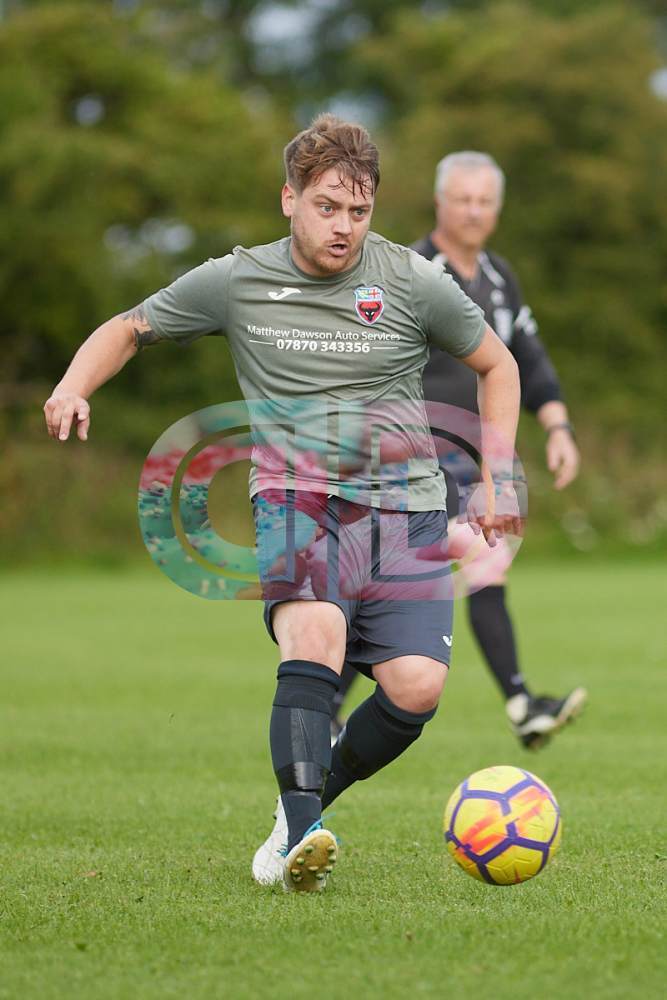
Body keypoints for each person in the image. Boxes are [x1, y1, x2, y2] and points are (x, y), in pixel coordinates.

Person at [43, 117, 521, 893]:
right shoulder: (238, 280)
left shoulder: (409, 280)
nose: (343, 226)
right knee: (315, 632)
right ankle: (303, 834)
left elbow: (496, 364)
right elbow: (128, 328)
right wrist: (72, 386)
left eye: (358, 211)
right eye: (327, 206)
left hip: (406, 509)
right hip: (297, 497)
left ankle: (302, 806)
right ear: (289, 199)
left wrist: (497, 474)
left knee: (415, 689)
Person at [331, 151, 586, 750]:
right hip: (405, 460)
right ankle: (331, 710)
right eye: (463, 199)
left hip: (470, 464)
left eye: (485, 201)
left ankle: (521, 704)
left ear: (497, 208)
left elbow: (527, 359)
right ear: (439, 202)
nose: (473, 211)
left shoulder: (499, 278)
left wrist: (558, 426)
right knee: (399, 586)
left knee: (479, 565)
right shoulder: (409, 271)